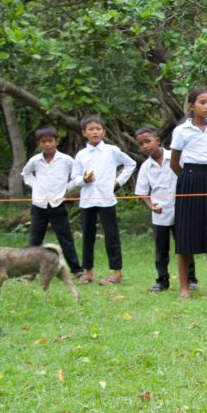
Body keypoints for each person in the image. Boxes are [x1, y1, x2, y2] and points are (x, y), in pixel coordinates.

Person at [170, 88, 207, 298]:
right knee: (185, 234)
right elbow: (175, 163)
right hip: (189, 178)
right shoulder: (181, 131)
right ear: (191, 106)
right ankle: (184, 288)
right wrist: (188, 178)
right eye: (202, 102)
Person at [71, 115, 136, 285]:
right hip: (87, 199)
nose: (95, 132)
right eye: (91, 129)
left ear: (104, 132)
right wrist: (83, 180)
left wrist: (118, 182)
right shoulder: (81, 154)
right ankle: (88, 271)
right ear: (84, 133)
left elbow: (130, 164)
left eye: (98, 129)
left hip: (107, 199)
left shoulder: (112, 150)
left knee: (111, 236)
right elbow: (74, 178)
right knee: (88, 236)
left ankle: (116, 272)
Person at [134, 126, 197, 293]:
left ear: (158, 140)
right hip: (160, 212)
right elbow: (142, 193)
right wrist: (151, 206)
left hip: (181, 209)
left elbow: (189, 177)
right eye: (141, 144)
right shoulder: (146, 167)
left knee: (184, 245)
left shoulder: (176, 158)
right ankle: (162, 280)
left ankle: (191, 279)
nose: (145, 146)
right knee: (161, 249)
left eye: (148, 141)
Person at [21, 127, 83, 278]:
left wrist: (66, 188)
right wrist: (34, 185)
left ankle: (76, 270)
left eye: (50, 141)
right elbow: (26, 174)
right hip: (39, 204)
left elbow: (76, 176)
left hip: (57, 204)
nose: (47, 144)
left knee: (65, 238)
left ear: (57, 141)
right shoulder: (35, 160)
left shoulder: (66, 160)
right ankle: (30, 272)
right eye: (44, 142)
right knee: (35, 240)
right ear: (39, 144)